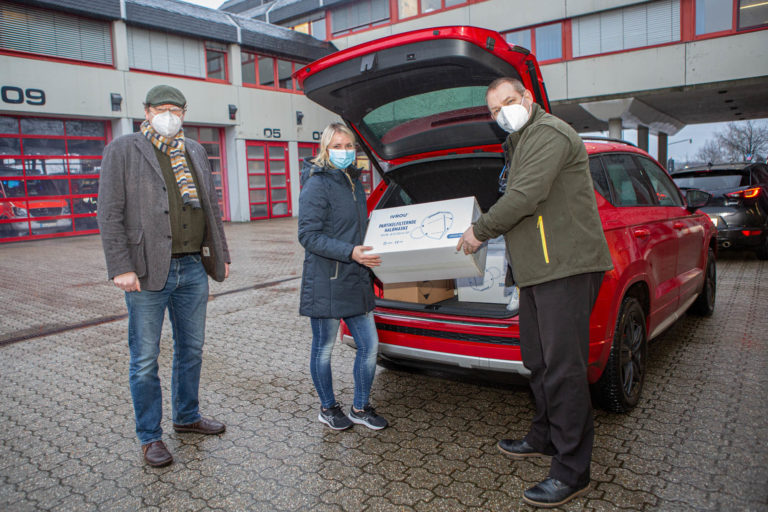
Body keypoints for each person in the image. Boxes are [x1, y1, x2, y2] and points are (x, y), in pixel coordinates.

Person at [457, 77, 613, 508]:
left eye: (508, 101)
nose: (503, 112)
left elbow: (525, 196)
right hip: (537, 271)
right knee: (538, 360)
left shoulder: (548, 133)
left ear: (528, 98)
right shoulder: (518, 143)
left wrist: (478, 230)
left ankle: (572, 470)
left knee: (564, 368)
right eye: (494, 110)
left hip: (564, 266)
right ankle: (544, 436)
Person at [97, 84, 231, 467]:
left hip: (192, 267)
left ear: (184, 114)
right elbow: (108, 213)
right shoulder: (123, 149)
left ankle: (187, 416)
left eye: (176, 109)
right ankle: (150, 436)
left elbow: (211, 207)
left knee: (192, 350)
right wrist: (120, 266)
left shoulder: (195, 151)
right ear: (147, 111)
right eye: (161, 108)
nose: (169, 114)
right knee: (144, 358)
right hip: (145, 270)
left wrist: (220, 255)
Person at [297, 123, 388, 431]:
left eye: (349, 146)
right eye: (338, 146)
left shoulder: (354, 182)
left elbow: (357, 230)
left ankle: (360, 408)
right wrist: (351, 251)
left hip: (356, 277)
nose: (345, 151)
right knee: (323, 348)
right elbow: (308, 236)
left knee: (369, 345)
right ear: (325, 148)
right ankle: (327, 407)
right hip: (326, 280)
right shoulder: (316, 184)